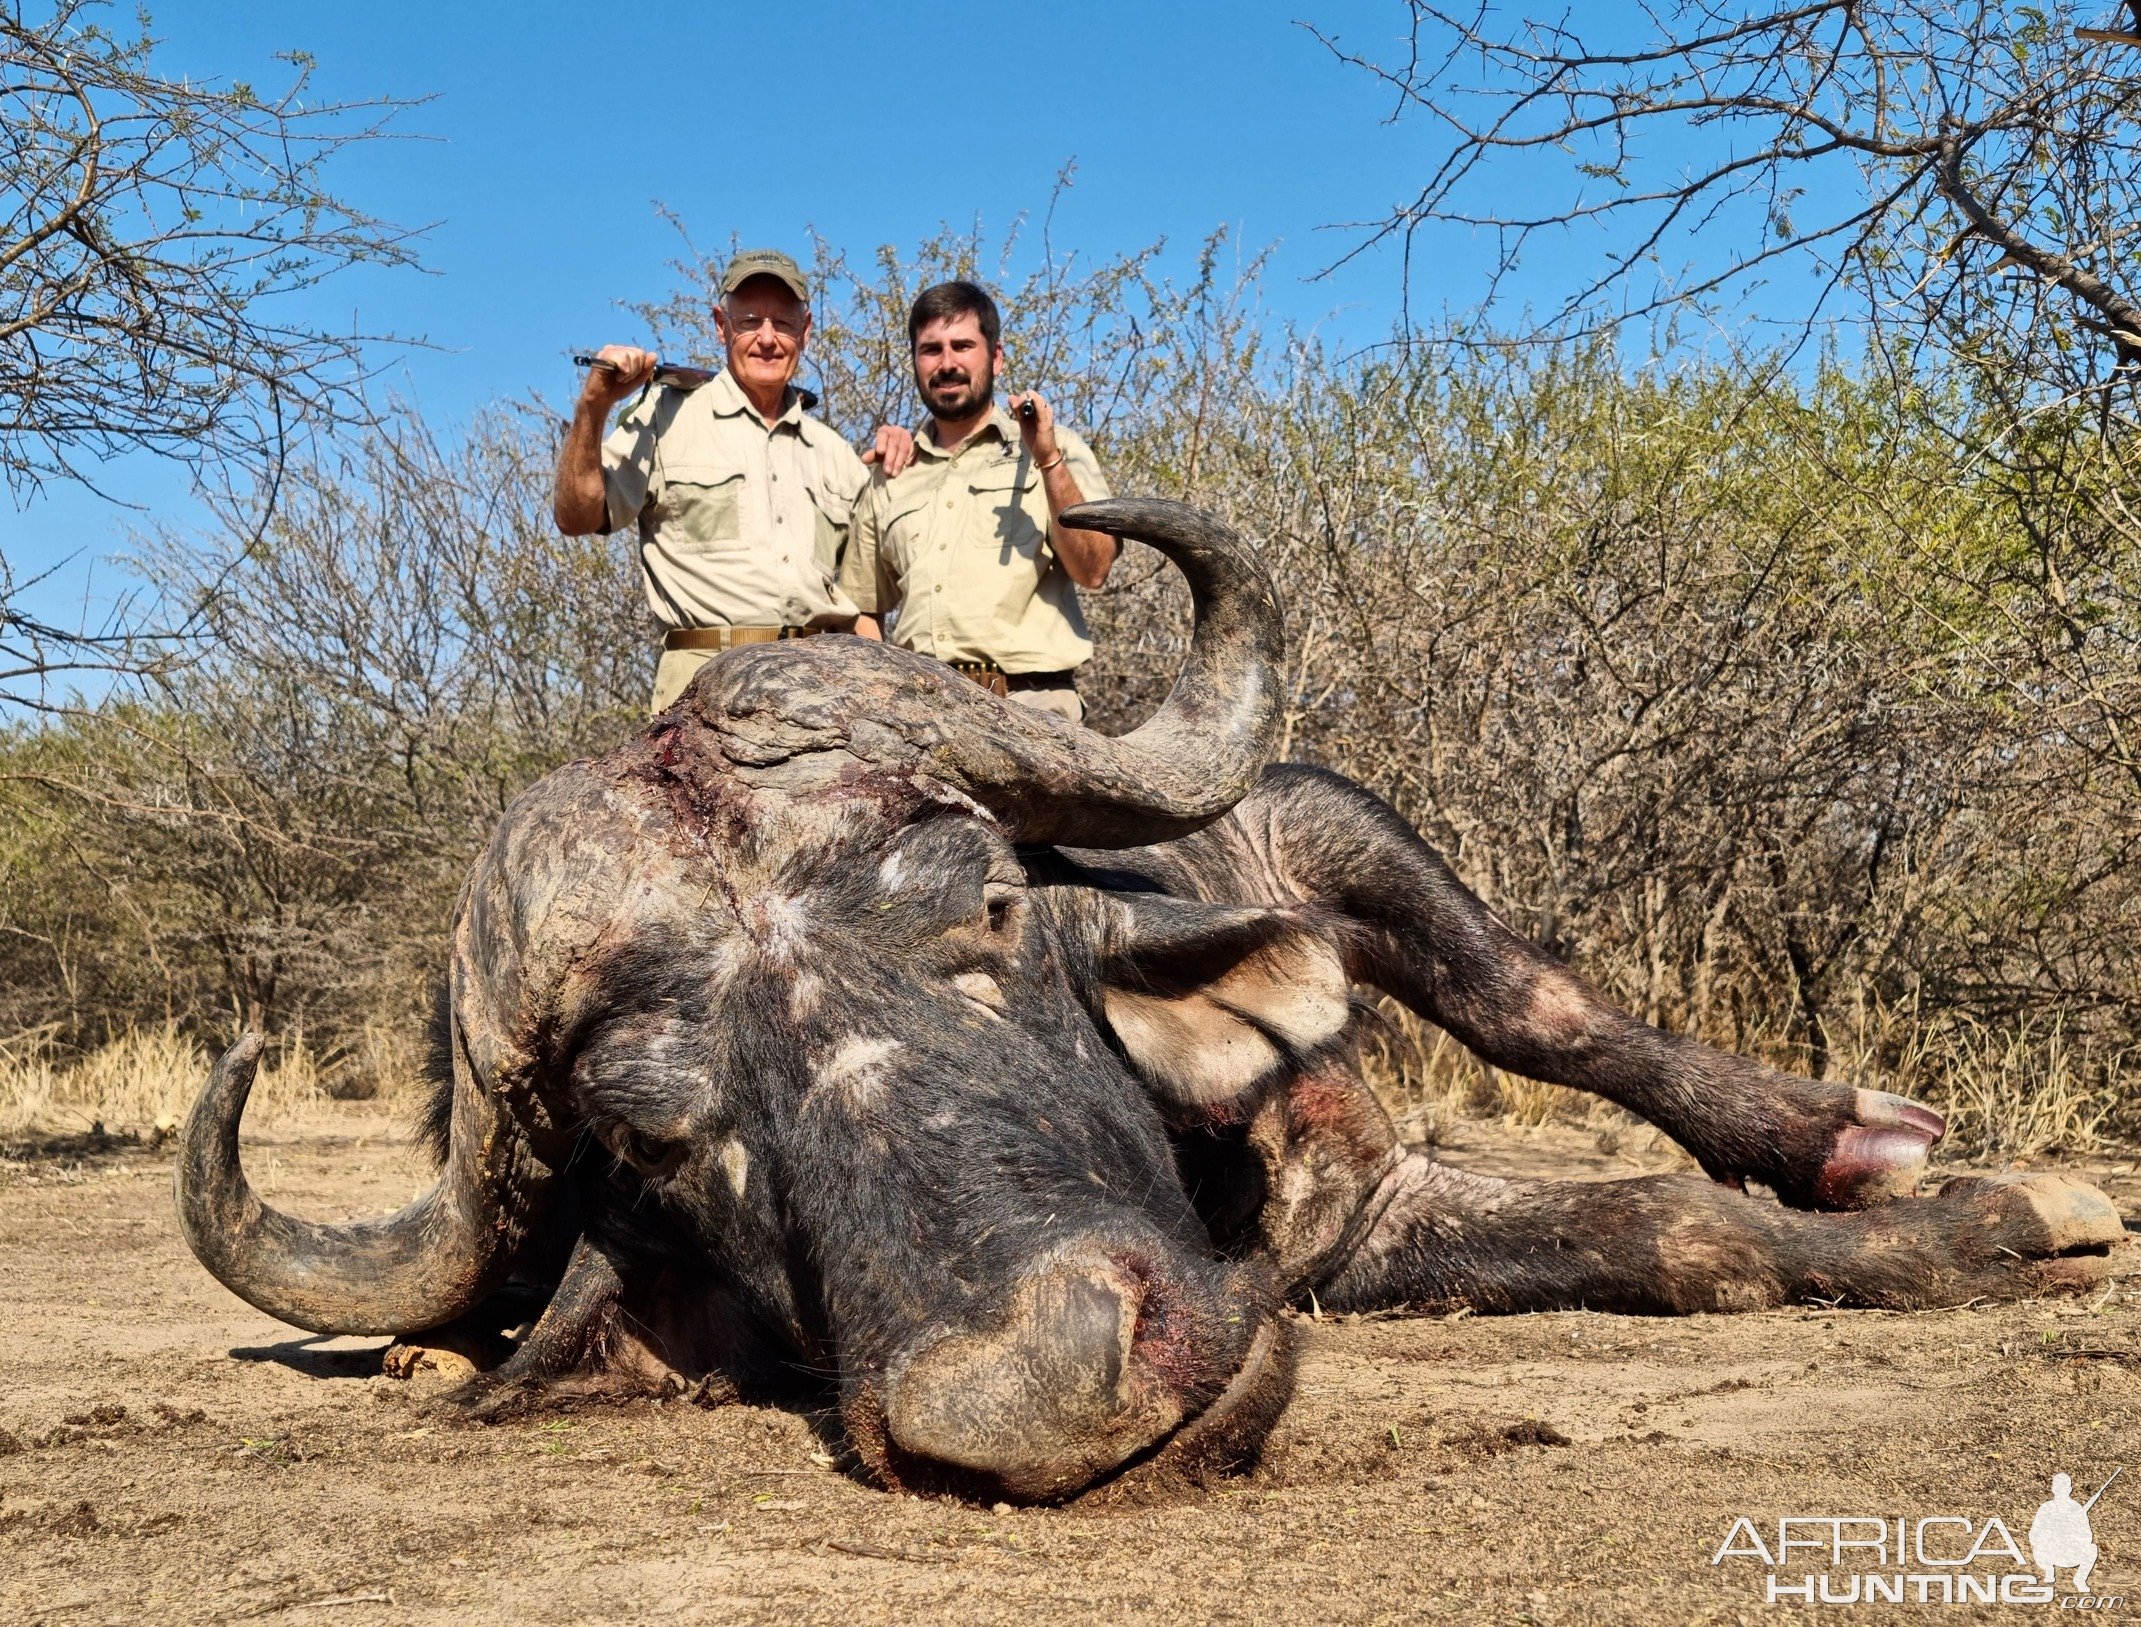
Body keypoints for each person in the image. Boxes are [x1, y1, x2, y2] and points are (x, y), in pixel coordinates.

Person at [552, 248, 912, 713]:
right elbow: (576, 517)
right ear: (721, 325)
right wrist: (593, 405)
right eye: (749, 321)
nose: (767, 338)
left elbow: (862, 604)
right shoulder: (664, 415)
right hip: (705, 687)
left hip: (823, 691)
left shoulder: (837, 455)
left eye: (783, 323)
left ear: (805, 331)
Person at [838, 280, 1117, 724]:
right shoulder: (890, 474)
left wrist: (1047, 460)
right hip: (917, 714)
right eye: (931, 349)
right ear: (914, 361)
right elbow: (864, 607)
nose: (947, 363)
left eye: (963, 345)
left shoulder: (1055, 449)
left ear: (996, 357)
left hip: (1033, 711)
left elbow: (1094, 568)